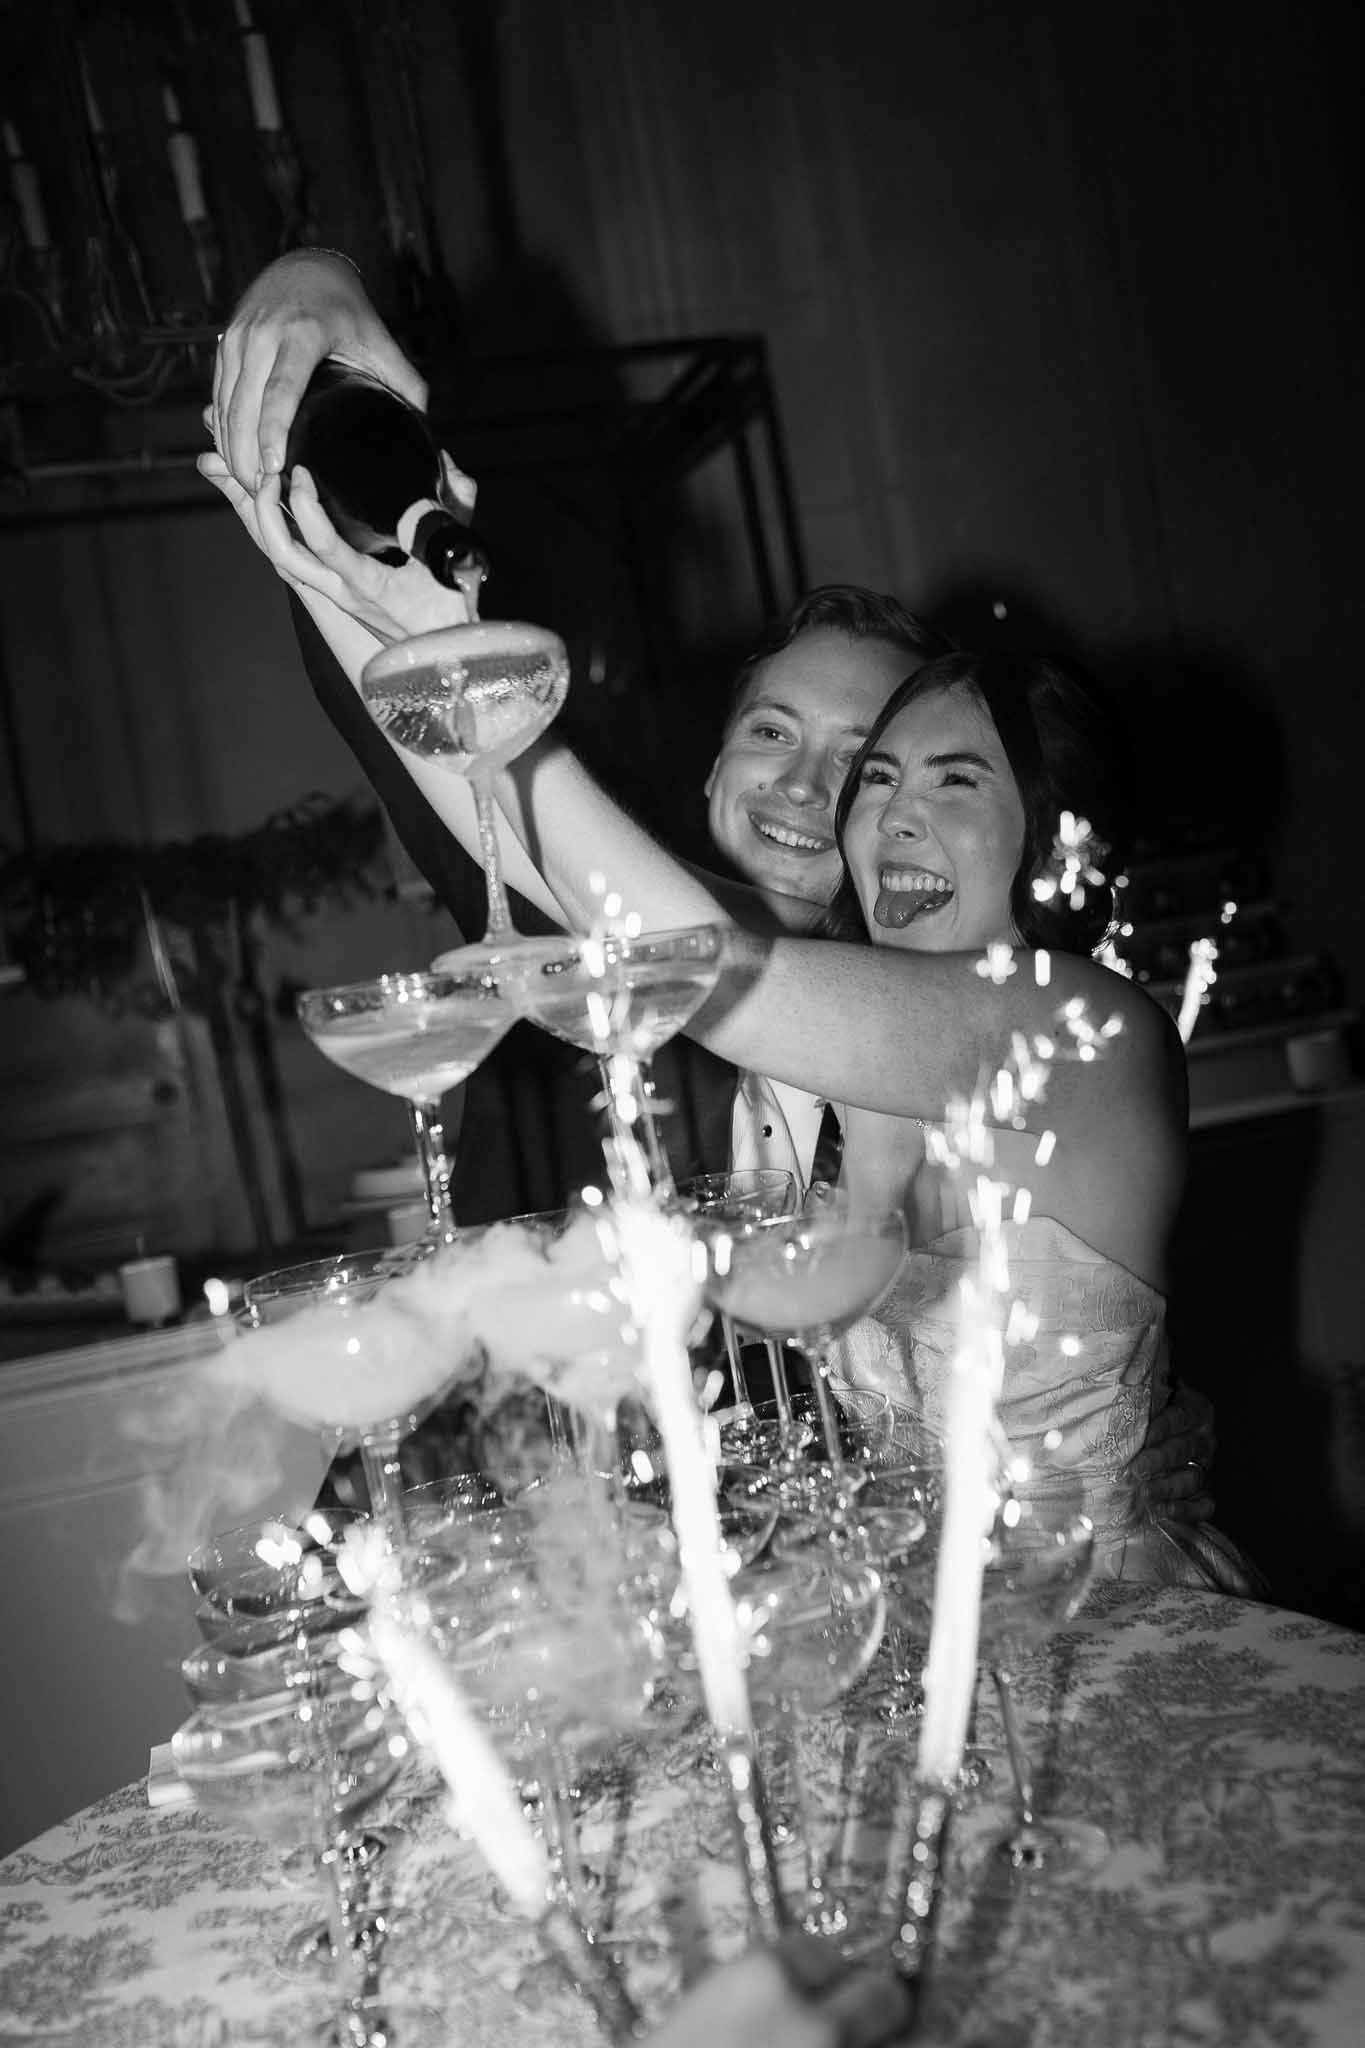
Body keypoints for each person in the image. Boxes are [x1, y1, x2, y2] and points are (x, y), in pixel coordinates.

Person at [202, 255, 1223, 1546]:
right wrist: (335, 576)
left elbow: (678, 949)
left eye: (950, 777)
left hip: (1110, 1635)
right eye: (880, 781)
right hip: (913, 1633)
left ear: (1050, 835)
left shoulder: (1077, 1031)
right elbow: (515, 838)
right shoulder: (827, 984)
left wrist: (438, 640)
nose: (882, 809)